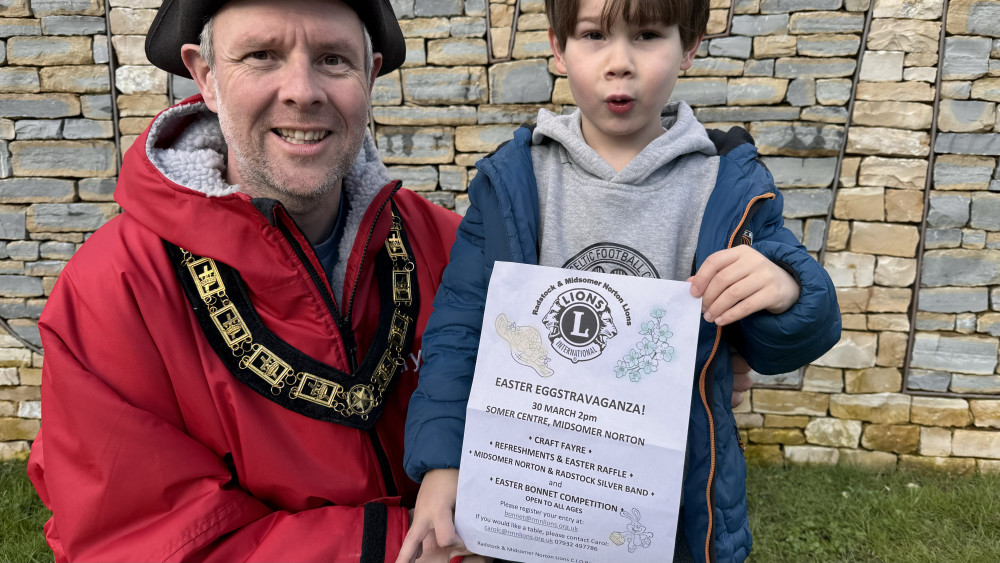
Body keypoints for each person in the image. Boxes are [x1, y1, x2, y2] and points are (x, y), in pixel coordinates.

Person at [26, 0, 472, 560]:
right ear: (206, 77)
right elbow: (141, 539)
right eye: (262, 56)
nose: (303, 90)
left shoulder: (455, 252)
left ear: (370, 75)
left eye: (334, 59)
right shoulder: (111, 295)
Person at [399, 0, 842, 560]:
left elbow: (784, 343)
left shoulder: (729, 185)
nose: (619, 62)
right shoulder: (513, 181)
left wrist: (786, 290)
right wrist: (444, 466)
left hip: (673, 504)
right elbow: (460, 331)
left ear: (691, 46)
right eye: (593, 36)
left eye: (648, 35)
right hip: (532, 490)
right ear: (558, 49)